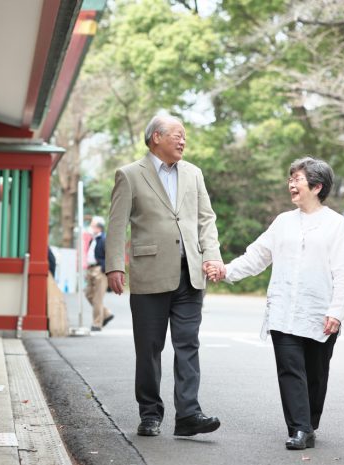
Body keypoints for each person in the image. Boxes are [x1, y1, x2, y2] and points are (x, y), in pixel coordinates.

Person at [208, 157, 344, 450]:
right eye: (291, 179)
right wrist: (227, 271)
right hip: (284, 310)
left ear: (317, 186)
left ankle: (309, 423)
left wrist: (336, 311)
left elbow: (343, 270)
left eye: (297, 179)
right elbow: (257, 255)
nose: (291, 184)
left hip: (319, 312)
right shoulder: (283, 222)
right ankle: (299, 428)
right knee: (289, 369)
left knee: (315, 373)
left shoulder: (336, 225)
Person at [105, 113, 225, 437]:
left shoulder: (194, 174)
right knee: (149, 348)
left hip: (190, 275)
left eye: (184, 136)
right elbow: (116, 224)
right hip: (150, 273)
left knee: (188, 345)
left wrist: (212, 256)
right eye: (177, 134)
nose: (183, 140)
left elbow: (206, 220)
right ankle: (150, 413)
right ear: (156, 137)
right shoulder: (130, 175)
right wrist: (114, 264)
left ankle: (188, 414)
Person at [85, 216, 114, 331]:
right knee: (88, 294)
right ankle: (106, 313)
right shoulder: (94, 239)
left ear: (99, 227)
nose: (91, 227)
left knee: (97, 298)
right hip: (91, 269)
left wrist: (104, 269)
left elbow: (110, 255)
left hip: (99, 270)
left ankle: (97, 323)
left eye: (92, 225)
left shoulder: (104, 239)